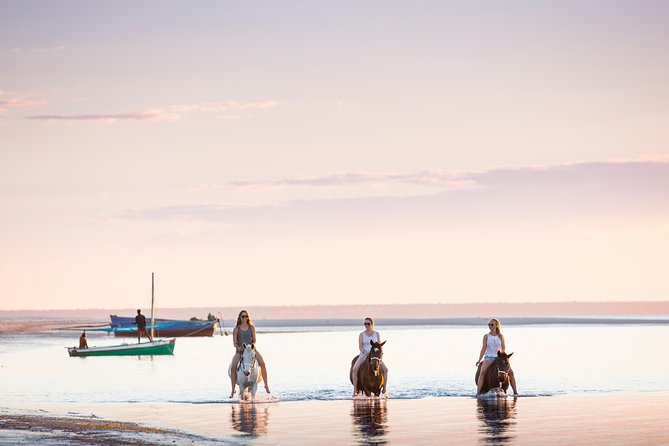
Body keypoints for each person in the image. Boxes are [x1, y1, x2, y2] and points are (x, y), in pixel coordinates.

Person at [229, 310, 270, 398]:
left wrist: (252, 346)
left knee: (262, 363)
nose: (244, 318)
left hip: (251, 350)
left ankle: (266, 385)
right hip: (240, 351)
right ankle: (232, 390)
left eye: (246, 316)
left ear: (248, 317)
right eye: (243, 316)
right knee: (233, 367)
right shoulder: (236, 329)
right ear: (240, 317)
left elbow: (254, 340)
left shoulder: (251, 327)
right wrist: (238, 347)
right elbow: (235, 343)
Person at [475, 318, 518, 396]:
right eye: (489, 324)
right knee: (482, 372)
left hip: (499, 358)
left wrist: (502, 356)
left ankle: (515, 392)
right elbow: (484, 348)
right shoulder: (486, 336)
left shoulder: (501, 336)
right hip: (489, 358)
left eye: (492, 324)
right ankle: (478, 393)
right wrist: (479, 359)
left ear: (496, 326)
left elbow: (503, 347)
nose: (490, 326)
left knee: (511, 373)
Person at [351, 317, 388, 397]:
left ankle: (384, 388)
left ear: (372, 324)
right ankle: (355, 390)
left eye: (368, 324)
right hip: (364, 355)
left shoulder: (376, 334)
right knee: (354, 369)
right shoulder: (361, 334)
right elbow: (360, 347)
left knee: (385, 369)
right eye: (365, 324)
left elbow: (379, 345)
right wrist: (365, 352)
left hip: (375, 355)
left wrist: (380, 354)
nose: (366, 325)